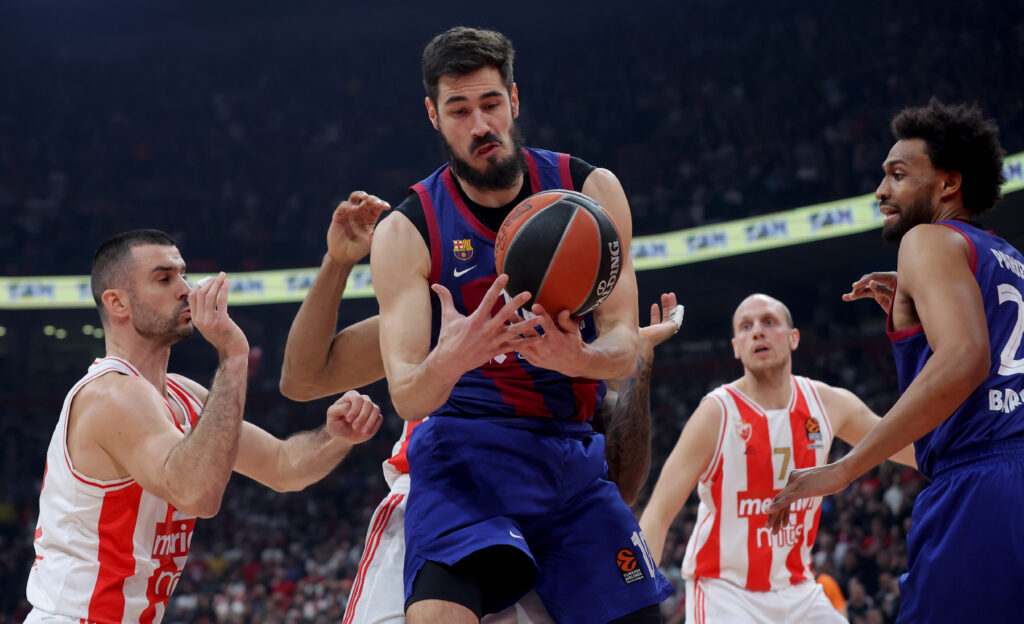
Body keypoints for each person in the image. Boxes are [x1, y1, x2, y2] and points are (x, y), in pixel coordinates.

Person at [366, 26, 673, 623]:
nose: (480, 125)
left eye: (490, 104)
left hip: (569, 460)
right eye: (459, 110)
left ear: (514, 98)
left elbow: (623, 345)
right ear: (433, 115)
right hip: (464, 458)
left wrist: (578, 361)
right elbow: (407, 395)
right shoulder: (408, 229)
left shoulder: (590, 190)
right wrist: (453, 357)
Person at [279, 192, 685, 624]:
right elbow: (302, 378)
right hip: (446, 501)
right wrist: (338, 261)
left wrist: (638, 363)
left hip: (552, 523)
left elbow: (621, 486)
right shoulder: (444, 314)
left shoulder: (582, 340)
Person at [25, 230, 382, 624]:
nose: (185, 289)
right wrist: (232, 355)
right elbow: (196, 494)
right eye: (164, 279)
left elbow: (283, 466)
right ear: (117, 302)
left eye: (183, 275)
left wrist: (334, 437)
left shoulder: (183, 394)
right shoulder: (110, 395)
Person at [768, 100, 1024, 622]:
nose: (881, 191)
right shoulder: (1009, 258)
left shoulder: (925, 240)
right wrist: (919, 315)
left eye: (898, 175)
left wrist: (845, 468)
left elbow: (966, 360)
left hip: (982, 488)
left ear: (949, 184)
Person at [639, 293, 916, 624]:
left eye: (768, 322)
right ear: (736, 347)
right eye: (746, 326)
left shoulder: (829, 404)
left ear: (793, 337)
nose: (757, 331)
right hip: (725, 592)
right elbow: (656, 515)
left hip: (798, 589)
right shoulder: (716, 413)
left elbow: (911, 447)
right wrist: (637, 604)